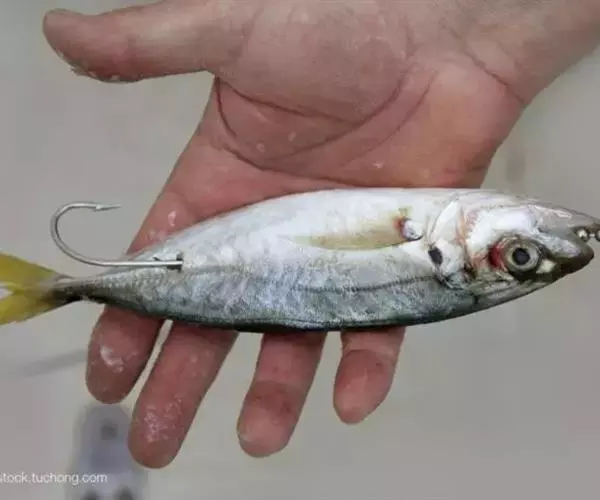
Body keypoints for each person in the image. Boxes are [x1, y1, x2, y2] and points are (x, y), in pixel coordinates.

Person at [42, 0, 600, 468]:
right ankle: (64, 289)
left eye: (518, 256)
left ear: (450, 259)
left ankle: (58, 289)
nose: (536, 236)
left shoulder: (430, 233)